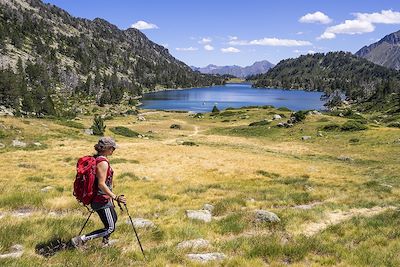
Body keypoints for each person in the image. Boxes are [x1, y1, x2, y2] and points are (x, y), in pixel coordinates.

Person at [71, 137, 126, 248]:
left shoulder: (98, 159)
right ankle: (80, 240)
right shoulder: (103, 162)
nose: (113, 150)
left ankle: (105, 242)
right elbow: (101, 184)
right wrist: (115, 197)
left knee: (113, 219)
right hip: (101, 199)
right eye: (112, 148)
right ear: (107, 148)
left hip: (103, 198)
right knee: (110, 227)